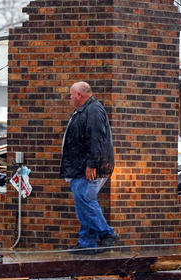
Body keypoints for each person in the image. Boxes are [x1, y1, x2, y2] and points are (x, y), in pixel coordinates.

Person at [60, 81, 118, 254]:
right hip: (80, 166)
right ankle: (87, 243)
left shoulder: (93, 110)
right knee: (82, 202)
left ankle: (107, 233)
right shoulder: (85, 110)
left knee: (85, 199)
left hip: (91, 167)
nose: (70, 98)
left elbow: (96, 139)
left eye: (71, 94)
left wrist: (92, 164)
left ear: (79, 94)